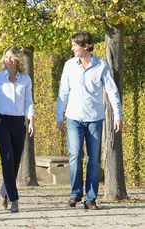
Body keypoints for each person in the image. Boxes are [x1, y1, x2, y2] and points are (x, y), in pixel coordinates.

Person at [56, 31, 123, 210]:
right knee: (75, 155)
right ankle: (75, 193)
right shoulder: (69, 65)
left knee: (94, 160)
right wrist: (58, 115)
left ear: (85, 46)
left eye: (75, 45)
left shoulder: (101, 65)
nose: (72, 48)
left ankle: (91, 198)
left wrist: (118, 115)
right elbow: (63, 91)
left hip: (94, 118)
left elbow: (112, 91)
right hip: (74, 117)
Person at [0, 46, 35, 213]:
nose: (8, 60)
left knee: (15, 162)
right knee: (7, 159)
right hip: (2, 121)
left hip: (18, 122)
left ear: (17, 59)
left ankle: (4, 191)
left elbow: (29, 101)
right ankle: (14, 199)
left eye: (11, 57)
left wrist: (31, 120)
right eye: (6, 57)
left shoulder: (26, 79)